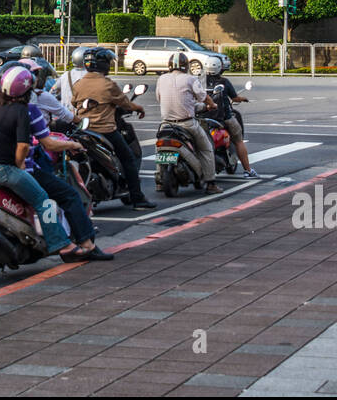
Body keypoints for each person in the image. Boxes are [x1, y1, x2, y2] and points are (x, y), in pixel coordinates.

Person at [0, 67, 89, 261]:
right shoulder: (21, 110)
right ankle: (61, 244)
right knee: (43, 200)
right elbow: (23, 146)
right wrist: (19, 165)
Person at [22, 87, 113, 261]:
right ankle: (68, 244)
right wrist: (73, 145)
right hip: (15, 170)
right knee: (52, 198)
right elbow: (35, 146)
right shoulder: (28, 111)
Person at [71, 48, 155, 210]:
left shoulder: (78, 84)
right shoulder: (108, 84)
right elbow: (125, 104)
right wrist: (139, 108)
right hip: (105, 131)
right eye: (108, 62)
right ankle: (137, 199)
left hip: (84, 131)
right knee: (128, 159)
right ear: (102, 64)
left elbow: (75, 103)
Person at [156, 51, 221, 194]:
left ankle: (159, 181)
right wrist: (212, 105)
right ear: (186, 66)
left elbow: (159, 98)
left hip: (166, 124)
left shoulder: (161, 79)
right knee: (206, 148)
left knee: (160, 146)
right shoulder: (190, 79)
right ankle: (211, 183)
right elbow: (204, 98)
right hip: (187, 123)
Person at [206, 62, 255, 178]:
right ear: (220, 69)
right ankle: (248, 170)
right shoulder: (224, 82)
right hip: (224, 117)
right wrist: (243, 98)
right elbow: (234, 98)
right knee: (238, 140)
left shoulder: (199, 81)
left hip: (204, 117)